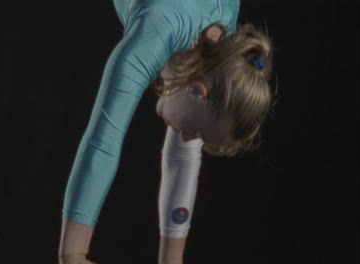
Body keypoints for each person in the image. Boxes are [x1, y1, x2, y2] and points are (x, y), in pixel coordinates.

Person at [58, 0, 273, 263]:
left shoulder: (221, 55)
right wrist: (74, 253)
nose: (188, 138)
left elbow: (182, 161)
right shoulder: (159, 28)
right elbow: (104, 139)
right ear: (196, 92)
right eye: (196, 131)